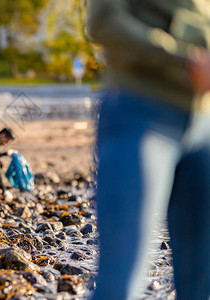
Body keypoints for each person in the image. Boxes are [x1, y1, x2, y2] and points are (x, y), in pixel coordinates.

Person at [88, 1, 210, 299]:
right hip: (141, 112)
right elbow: (104, 22)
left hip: (204, 124)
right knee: (120, 282)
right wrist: (184, 60)